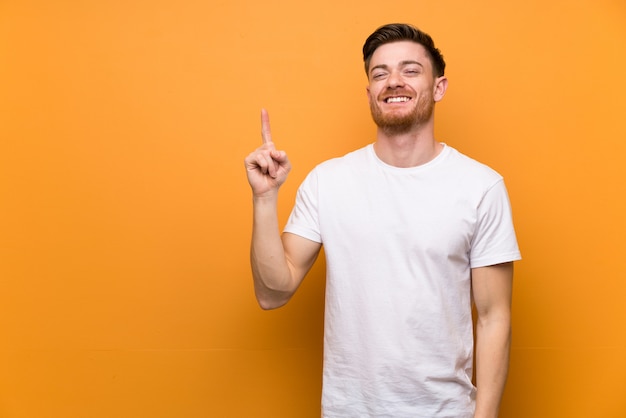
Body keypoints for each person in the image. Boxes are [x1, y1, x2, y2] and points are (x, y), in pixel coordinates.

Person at [244, 23, 521, 418]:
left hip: (446, 411)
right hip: (348, 410)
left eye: (410, 70)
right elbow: (273, 293)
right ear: (370, 93)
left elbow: (494, 318)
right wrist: (265, 198)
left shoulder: (480, 187)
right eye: (380, 73)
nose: (394, 81)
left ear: (439, 87)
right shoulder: (328, 182)